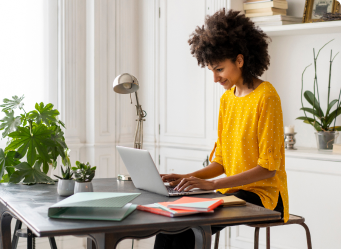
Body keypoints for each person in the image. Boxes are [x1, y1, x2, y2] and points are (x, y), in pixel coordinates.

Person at [153, 8, 289, 249]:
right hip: (231, 192)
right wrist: (187, 178)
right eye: (212, 70)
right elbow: (222, 162)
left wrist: (214, 185)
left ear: (240, 60)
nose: (215, 78)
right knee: (169, 226)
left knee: (188, 229)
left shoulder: (266, 96)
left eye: (219, 69)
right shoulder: (228, 99)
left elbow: (268, 168)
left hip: (263, 197)